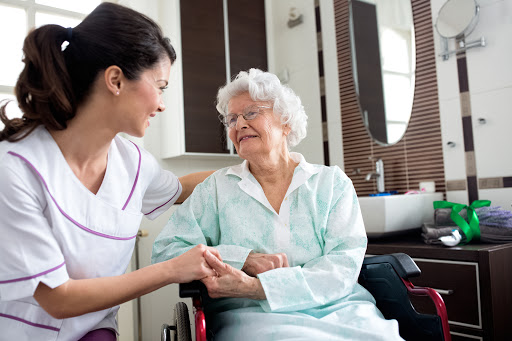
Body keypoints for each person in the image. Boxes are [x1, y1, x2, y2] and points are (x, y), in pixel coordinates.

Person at [0, 3, 221, 340]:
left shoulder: (133, 163)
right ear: (115, 79)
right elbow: (58, 299)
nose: (162, 104)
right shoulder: (16, 168)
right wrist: (172, 269)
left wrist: (256, 167)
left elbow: (180, 189)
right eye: (160, 86)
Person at [152, 68, 404, 340]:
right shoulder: (216, 189)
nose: (239, 125)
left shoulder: (331, 183)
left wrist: (256, 286)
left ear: (286, 122)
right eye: (232, 119)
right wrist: (241, 259)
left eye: (251, 113)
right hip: (251, 315)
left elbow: (342, 266)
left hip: (341, 309)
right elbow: (167, 251)